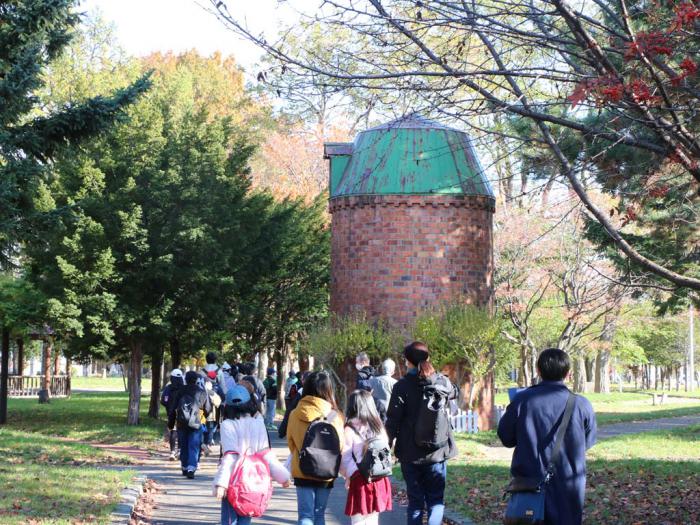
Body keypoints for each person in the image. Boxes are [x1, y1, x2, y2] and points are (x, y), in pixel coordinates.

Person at [497, 348, 597, 525]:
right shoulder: (581, 404)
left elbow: (506, 438)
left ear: (538, 370)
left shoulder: (522, 401)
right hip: (569, 486)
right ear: (567, 373)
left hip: (529, 484)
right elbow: (586, 443)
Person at [385, 342, 458, 525]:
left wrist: (387, 444)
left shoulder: (402, 386)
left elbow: (393, 419)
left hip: (410, 454)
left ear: (407, 362)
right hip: (438, 451)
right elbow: (455, 392)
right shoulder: (442, 381)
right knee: (436, 501)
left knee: (415, 503)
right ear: (428, 358)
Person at [212, 384, 291, 525]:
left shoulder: (227, 425)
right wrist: (283, 476)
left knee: (230, 521)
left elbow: (231, 456)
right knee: (245, 517)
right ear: (249, 403)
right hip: (254, 481)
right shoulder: (258, 423)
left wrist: (221, 484)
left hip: (234, 482)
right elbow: (266, 454)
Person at [287, 371, 345, 525]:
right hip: (326, 470)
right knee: (319, 515)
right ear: (328, 389)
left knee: (305, 516)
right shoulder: (336, 415)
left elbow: (290, 443)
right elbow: (340, 445)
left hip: (302, 469)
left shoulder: (295, 414)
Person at [341, 389, 393, 525]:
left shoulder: (349, 428)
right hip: (379, 477)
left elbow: (345, 458)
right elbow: (386, 449)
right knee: (372, 519)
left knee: (358, 520)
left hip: (359, 478)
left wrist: (348, 476)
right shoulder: (378, 426)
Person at [173, 370, 212, 479]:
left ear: (185, 379)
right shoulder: (202, 392)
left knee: (183, 444)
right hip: (196, 422)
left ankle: (184, 467)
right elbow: (208, 409)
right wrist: (203, 416)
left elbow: (173, 407)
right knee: (194, 445)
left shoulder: (180, 391)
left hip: (181, 422)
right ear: (196, 380)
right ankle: (191, 468)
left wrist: (171, 421)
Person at [160, 368, 185, 461]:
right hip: (183, 414)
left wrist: (169, 407)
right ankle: (180, 450)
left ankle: (172, 452)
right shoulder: (184, 388)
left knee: (173, 432)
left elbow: (163, 401)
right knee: (181, 432)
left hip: (171, 413)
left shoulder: (168, 388)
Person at [278, 370, 310, 439]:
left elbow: (290, 410)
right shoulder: (320, 393)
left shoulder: (301, 390)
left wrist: (282, 430)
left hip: (302, 423)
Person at [202, 380, 223, 456]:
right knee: (210, 431)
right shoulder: (213, 393)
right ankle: (208, 444)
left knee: (203, 430)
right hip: (211, 415)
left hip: (202, 416)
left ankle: (203, 444)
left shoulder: (201, 393)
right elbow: (218, 403)